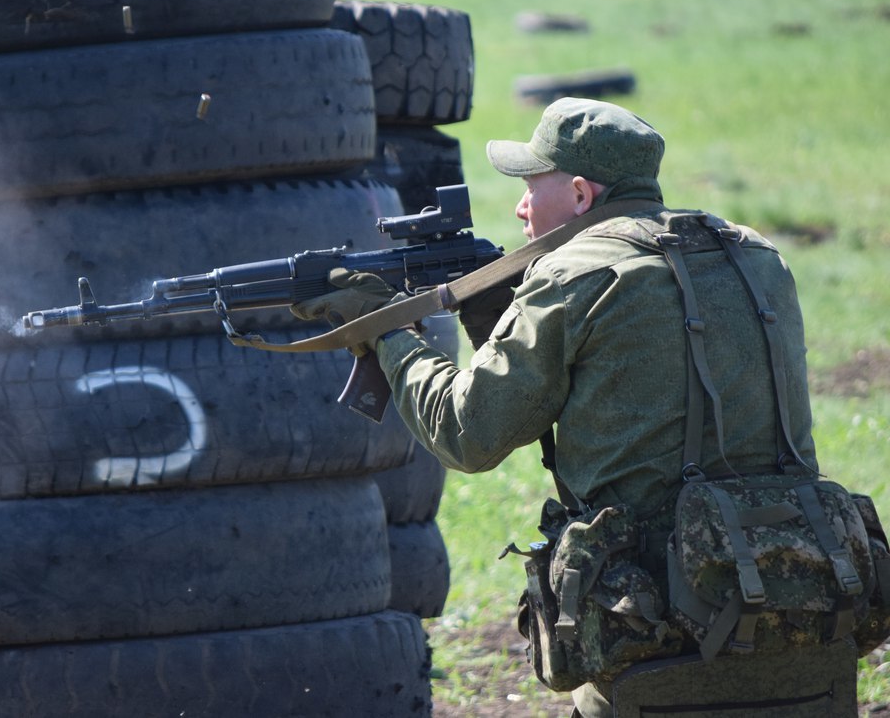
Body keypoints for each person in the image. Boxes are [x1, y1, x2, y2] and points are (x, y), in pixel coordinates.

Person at [291, 97, 819, 717]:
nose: (518, 206)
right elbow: (636, 374)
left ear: (577, 195)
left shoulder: (572, 275)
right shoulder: (755, 256)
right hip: (802, 602)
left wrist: (384, 333)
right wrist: (499, 319)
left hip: (658, 631)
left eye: (528, 185)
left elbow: (465, 433)